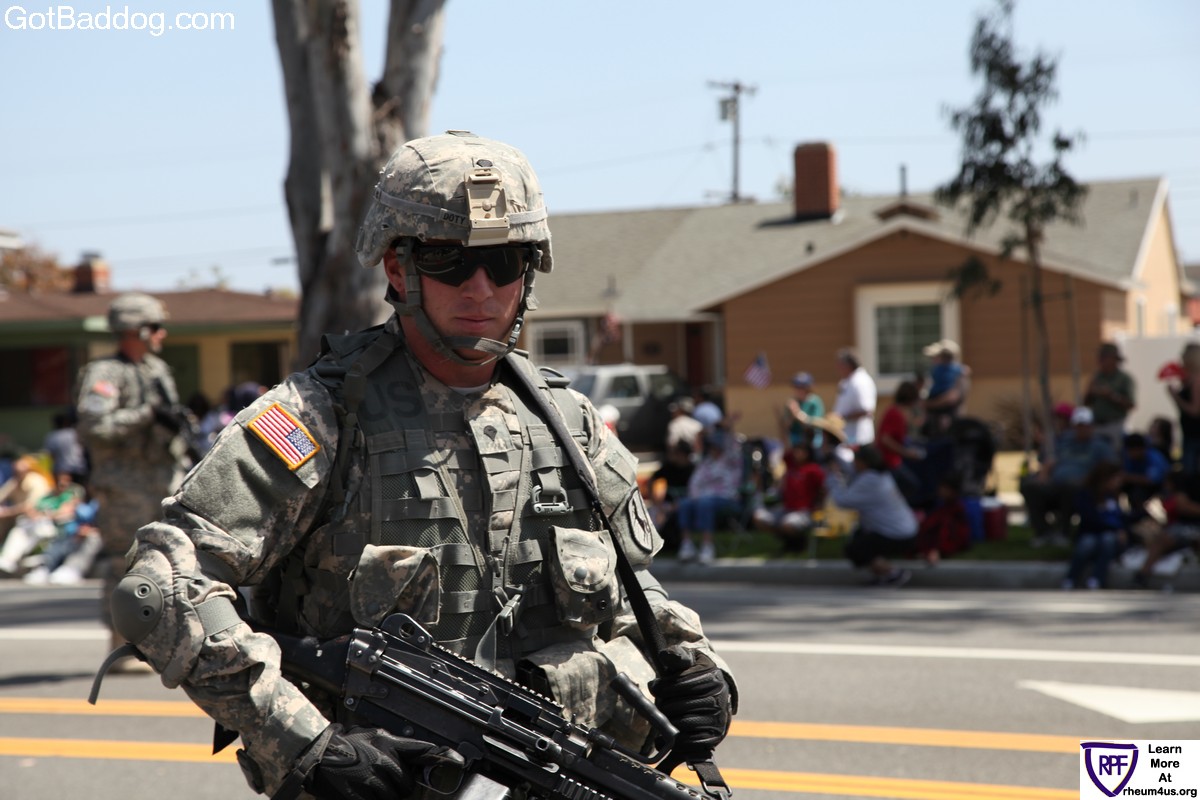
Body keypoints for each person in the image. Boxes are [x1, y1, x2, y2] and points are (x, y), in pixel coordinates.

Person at [103, 132, 734, 798]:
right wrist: (303, 743)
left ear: (530, 270)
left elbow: (631, 586)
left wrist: (694, 666)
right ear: (398, 269)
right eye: (447, 260)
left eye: (504, 261)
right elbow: (161, 589)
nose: (481, 288)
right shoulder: (320, 416)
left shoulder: (568, 424)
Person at [75, 292, 193, 674]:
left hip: (161, 481)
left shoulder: (157, 370)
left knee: (165, 564)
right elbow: (95, 427)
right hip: (124, 486)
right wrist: (144, 415)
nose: (162, 334)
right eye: (155, 326)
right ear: (135, 330)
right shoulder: (104, 374)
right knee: (124, 563)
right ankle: (122, 645)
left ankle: (157, 643)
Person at [1019, 406, 1114, 548]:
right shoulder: (1064, 441)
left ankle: (1063, 532)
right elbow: (1050, 460)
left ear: (1091, 426)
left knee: (1069, 487)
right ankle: (1043, 532)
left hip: (1081, 487)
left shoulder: (1100, 445)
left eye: (1084, 425)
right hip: (1055, 483)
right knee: (1030, 486)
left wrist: (1092, 479)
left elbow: (1110, 467)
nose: (1081, 429)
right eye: (1078, 425)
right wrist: (1044, 472)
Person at [829, 444, 917, 586]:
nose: (853, 464)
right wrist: (835, 455)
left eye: (856, 461)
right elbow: (852, 471)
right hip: (903, 531)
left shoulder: (870, 481)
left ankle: (893, 573)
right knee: (858, 537)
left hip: (897, 535)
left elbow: (842, 501)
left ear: (863, 463)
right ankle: (882, 576)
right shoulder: (880, 475)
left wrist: (833, 478)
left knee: (855, 549)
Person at [676, 422, 744, 565]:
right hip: (703, 498)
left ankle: (707, 546)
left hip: (727, 498)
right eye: (712, 446)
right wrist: (694, 497)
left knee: (705, 503)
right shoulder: (706, 463)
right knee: (685, 503)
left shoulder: (731, 460)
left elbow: (733, 446)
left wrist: (729, 429)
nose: (713, 449)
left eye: (716, 446)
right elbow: (694, 482)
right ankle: (687, 545)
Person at [0, 469, 85, 576]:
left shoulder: (72, 494)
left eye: (65, 480)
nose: (62, 483)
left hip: (57, 526)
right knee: (21, 529)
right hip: (38, 523)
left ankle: (35, 564)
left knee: (37, 529)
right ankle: (8, 559)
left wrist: (46, 515)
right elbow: (33, 509)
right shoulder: (49, 495)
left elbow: (67, 511)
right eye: (58, 480)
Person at [1062, 460, 1128, 590]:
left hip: (1109, 537)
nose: (1119, 482)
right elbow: (1090, 519)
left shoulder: (1113, 496)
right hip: (1090, 532)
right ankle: (1071, 578)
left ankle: (1097, 578)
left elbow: (1122, 518)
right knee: (1087, 543)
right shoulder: (1086, 494)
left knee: (1108, 539)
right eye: (1116, 478)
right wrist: (1115, 529)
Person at [752, 440, 826, 551]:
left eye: (801, 451)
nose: (797, 453)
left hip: (804, 511)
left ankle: (798, 544)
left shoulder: (813, 470)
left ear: (807, 453)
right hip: (786, 509)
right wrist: (785, 430)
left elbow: (823, 489)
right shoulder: (791, 465)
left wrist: (820, 505)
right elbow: (786, 448)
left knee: (788, 524)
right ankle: (787, 541)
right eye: (796, 451)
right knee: (759, 518)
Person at [875, 380, 924, 506]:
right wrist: (907, 453)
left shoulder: (895, 411)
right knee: (912, 485)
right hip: (888, 461)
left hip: (891, 460)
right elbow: (885, 439)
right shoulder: (896, 414)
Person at [1083, 342, 1136, 453]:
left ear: (1114, 360)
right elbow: (1086, 403)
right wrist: (1090, 392)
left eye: (1104, 358)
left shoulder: (1124, 379)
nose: (1100, 361)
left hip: (1114, 425)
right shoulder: (1097, 377)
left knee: (1113, 455)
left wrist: (1111, 395)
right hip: (1096, 425)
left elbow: (1131, 404)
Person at [0, 454, 53, 544]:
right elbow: (2, 494)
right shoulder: (16, 480)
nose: (16, 473)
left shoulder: (36, 482)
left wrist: (6, 512)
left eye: (19, 472)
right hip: (16, 516)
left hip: (35, 521)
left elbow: (29, 507)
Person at [921, 339, 969, 437]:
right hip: (935, 415)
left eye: (935, 357)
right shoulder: (954, 369)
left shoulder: (957, 375)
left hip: (947, 417)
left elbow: (952, 398)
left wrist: (929, 404)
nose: (933, 360)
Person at [832, 348, 876, 447]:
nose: (837, 368)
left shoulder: (861, 381)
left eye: (839, 365)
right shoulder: (846, 381)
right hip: (847, 438)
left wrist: (842, 417)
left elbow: (867, 411)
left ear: (847, 365)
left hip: (859, 440)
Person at [1121, 432, 1169, 521]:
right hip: (1140, 488)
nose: (1129, 453)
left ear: (1139, 449)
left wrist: (1128, 477)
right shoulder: (1129, 459)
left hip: (1160, 487)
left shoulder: (1154, 458)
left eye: (1131, 451)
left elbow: (1151, 480)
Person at [1168, 342, 1200, 476]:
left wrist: (1175, 396)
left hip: (1195, 434)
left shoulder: (1196, 380)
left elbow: (1195, 410)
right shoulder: (1189, 379)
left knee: (1191, 473)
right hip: (1189, 432)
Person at [42, 410, 89, 486]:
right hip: (79, 468)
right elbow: (84, 448)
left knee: (66, 492)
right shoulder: (75, 433)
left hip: (62, 471)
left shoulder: (52, 436)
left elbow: (50, 455)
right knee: (80, 491)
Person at [782, 371, 825, 450]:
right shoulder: (792, 402)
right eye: (796, 387)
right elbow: (786, 426)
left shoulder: (815, 402)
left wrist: (797, 413)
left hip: (812, 439)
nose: (798, 390)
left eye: (801, 387)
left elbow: (816, 423)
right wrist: (792, 415)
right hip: (796, 440)